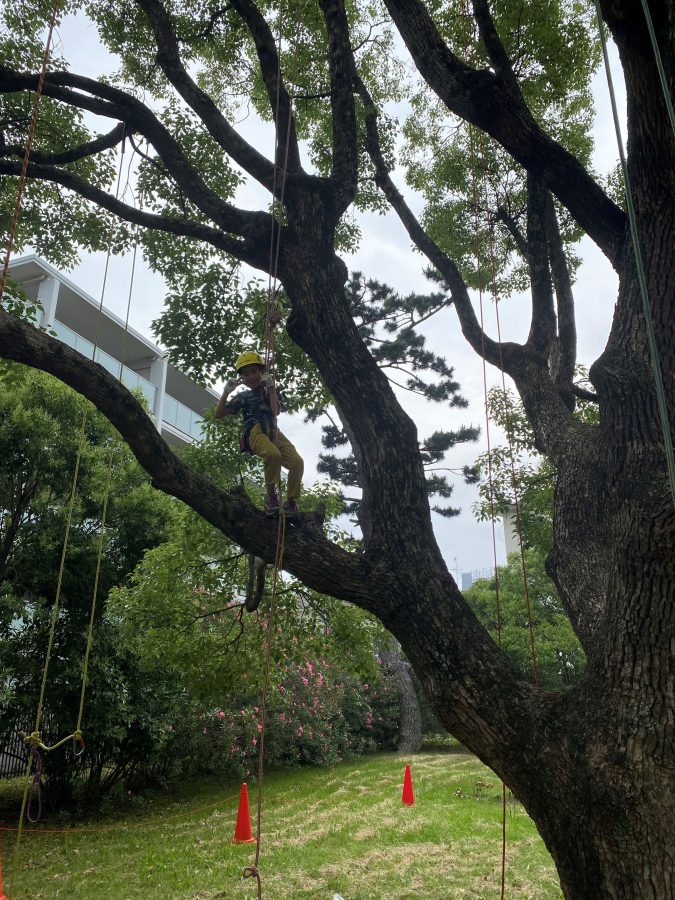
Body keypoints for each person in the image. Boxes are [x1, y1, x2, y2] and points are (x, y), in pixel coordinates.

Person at [214, 350, 303, 518]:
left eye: (254, 371)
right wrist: (226, 392)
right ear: (242, 378)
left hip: (273, 430)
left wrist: (271, 388)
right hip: (254, 430)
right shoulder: (243, 396)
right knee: (273, 455)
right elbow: (219, 415)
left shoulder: (269, 390)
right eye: (246, 374)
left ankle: (291, 502)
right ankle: (271, 497)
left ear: (261, 371)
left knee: (297, 462)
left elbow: (275, 412)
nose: (251, 377)